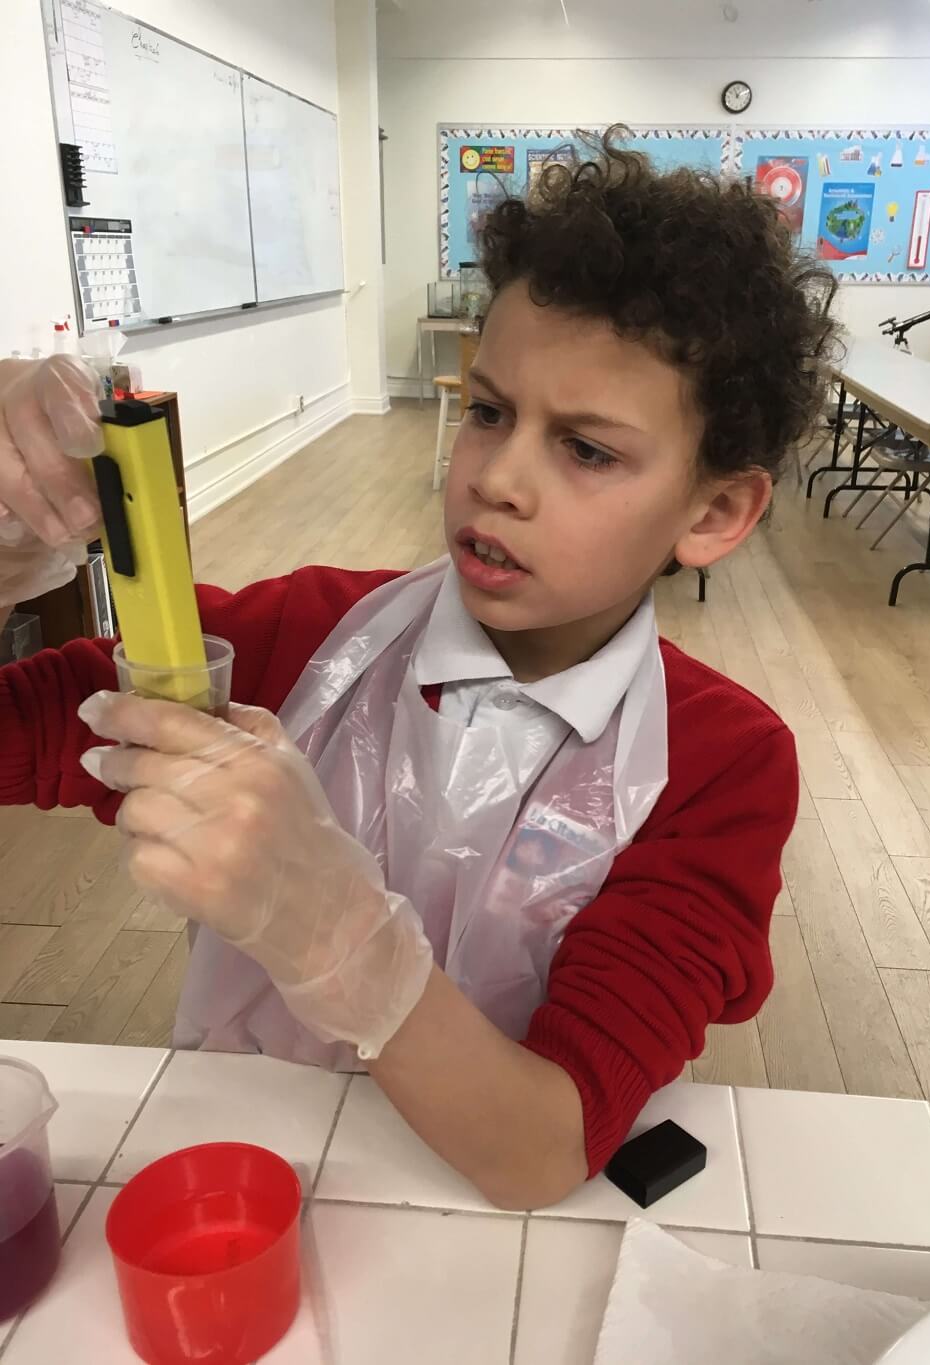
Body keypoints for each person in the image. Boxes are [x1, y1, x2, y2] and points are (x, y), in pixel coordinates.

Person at [0, 130, 837, 1211]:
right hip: (244, 1187)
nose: (495, 479)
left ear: (715, 511)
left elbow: (543, 1147)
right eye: (488, 412)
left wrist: (339, 939)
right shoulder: (299, 642)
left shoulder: (720, 763)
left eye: (586, 450)